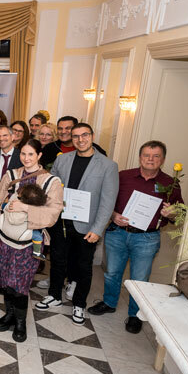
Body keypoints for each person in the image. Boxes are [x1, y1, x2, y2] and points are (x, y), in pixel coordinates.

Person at [88, 140, 183, 333]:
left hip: (147, 238)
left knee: (140, 278)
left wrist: (171, 213)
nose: (150, 159)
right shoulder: (122, 176)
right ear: (140, 157)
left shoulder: (170, 184)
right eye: (147, 155)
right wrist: (114, 215)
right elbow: (106, 200)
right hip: (118, 233)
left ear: (162, 160)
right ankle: (109, 303)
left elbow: (180, 213)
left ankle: (135, 314)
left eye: (156, 156)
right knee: (112, 272)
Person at [36, 124, 118, 326]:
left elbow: (108, 201)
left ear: (92, 136)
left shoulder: (108, 165)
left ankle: (79, 304)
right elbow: (52, 188)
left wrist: (97, 229)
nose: (80, 140)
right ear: (71, 139)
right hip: (61, 221)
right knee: (57, 261)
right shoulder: (62, 159)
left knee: (83, 267)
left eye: (85, 135)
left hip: (87, 226)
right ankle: (54, 295)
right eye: (76, 136)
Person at [0, 139, 64, 341]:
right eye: (23, 154)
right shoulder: (11, 175)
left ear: (39, 156)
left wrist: (25, 208)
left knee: (19, 285)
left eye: (31, 154)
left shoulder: (51, 182)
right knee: (5, 282)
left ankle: (20, 322)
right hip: (3, 237)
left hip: (27, 243)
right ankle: (9, 314)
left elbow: (53, 213)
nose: (26, 158)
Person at [0, 183, 48, 259]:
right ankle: (36, 252)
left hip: (4, 228)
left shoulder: (13, 201)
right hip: (22, 235)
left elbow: (3, 207)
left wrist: (5, 204)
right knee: (38, 236)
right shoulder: (33, 209)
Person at [40, 116, 108, 168]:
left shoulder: (95, 149)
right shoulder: (49, 148)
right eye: (60, 128)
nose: (63, 132)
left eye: (68, 128)